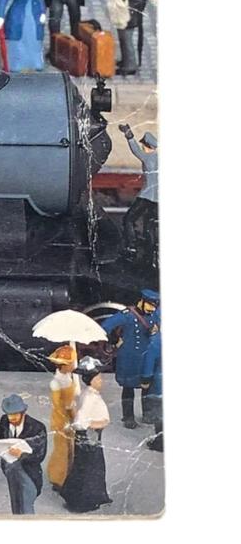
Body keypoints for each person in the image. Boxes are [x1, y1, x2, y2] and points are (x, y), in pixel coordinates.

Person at [101, 289, 160, 428]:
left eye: (154, 306)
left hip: (146, 356)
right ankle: (128, 417)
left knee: (147, 385)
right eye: (150, 305)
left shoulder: (153, 315)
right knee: (128, 388)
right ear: (142, 302)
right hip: (128, 357)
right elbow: (106, 326)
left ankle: (147, 414)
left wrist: (156, 329)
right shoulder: (127, 315)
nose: (152, 309)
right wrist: (114, 340)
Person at [62, 356, 112, 513]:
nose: (101, 381)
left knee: (93, 466)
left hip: (92, 435)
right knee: (90, 468)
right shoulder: (89, 397)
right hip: (89, 436)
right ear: (91, 380)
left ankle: (97, 495)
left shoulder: (90, 394)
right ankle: (84, 501)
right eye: (98, 378)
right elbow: (80, 421)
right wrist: (98, 423)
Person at [0, 393, 48, 516]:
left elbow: (40, 455)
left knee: (27, 506)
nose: (12, 419)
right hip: (10, 469)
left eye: (15, 415)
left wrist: (22, 455)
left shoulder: (37, 427)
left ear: (23, 413)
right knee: (16, 504)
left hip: (28, 472)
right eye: (9, 415)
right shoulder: (4, 421)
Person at [117, 127, 159, 259]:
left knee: (129, 219)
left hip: (146, 196)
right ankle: (150, 253)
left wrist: (129, 136)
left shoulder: (148, 158)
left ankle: (132, 247)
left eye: (143, 145)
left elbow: (135, 150)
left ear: (148, 146)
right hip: (158, 199)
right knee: (149, 224)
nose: (142, 147)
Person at [46, 343, 80, 496]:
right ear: (64, 365)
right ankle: (58, 478)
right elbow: (61, 404)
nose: (73, 365)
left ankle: (66, 474)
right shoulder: (57, 383)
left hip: (67, 417)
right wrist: (71, 411)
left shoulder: (67, 377)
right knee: (62, 450)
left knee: (69, 448)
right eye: (71, 363)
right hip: (61, 419)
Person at [142, 328, 164, 453]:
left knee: (160, 414)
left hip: (160, 384)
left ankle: (160, 442)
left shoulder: (157, 340)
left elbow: (149, 361)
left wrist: (146, 379)